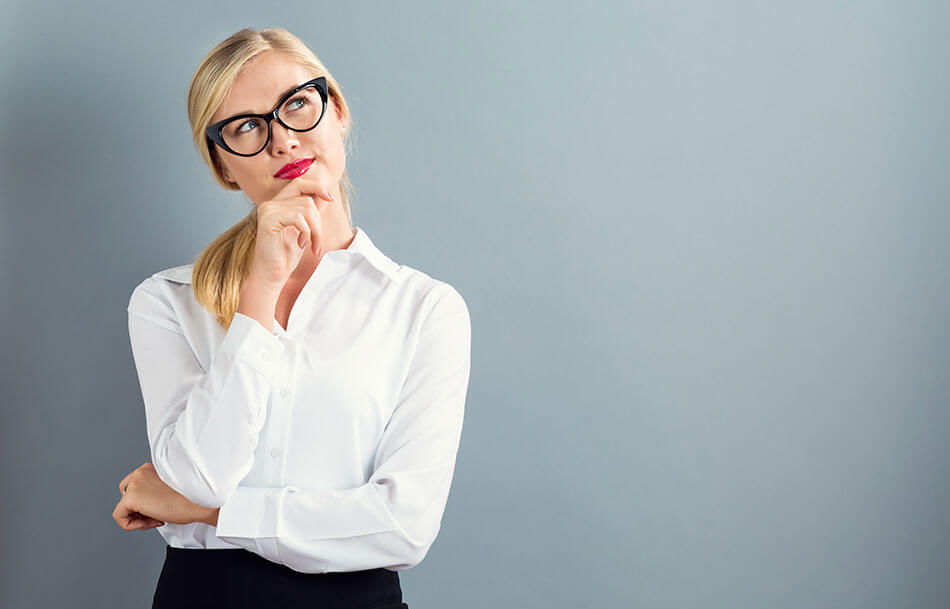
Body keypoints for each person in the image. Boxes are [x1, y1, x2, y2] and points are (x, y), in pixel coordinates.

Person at [111, 27, 471, 609]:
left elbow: (403, 526)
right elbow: (197, 474)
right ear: (223, 165)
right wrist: (260, 295)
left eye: (297, 104)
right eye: (246, 126)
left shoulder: (425, 309)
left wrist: (211, 513)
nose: (282, 141)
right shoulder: (166, 301)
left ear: (338, 112)